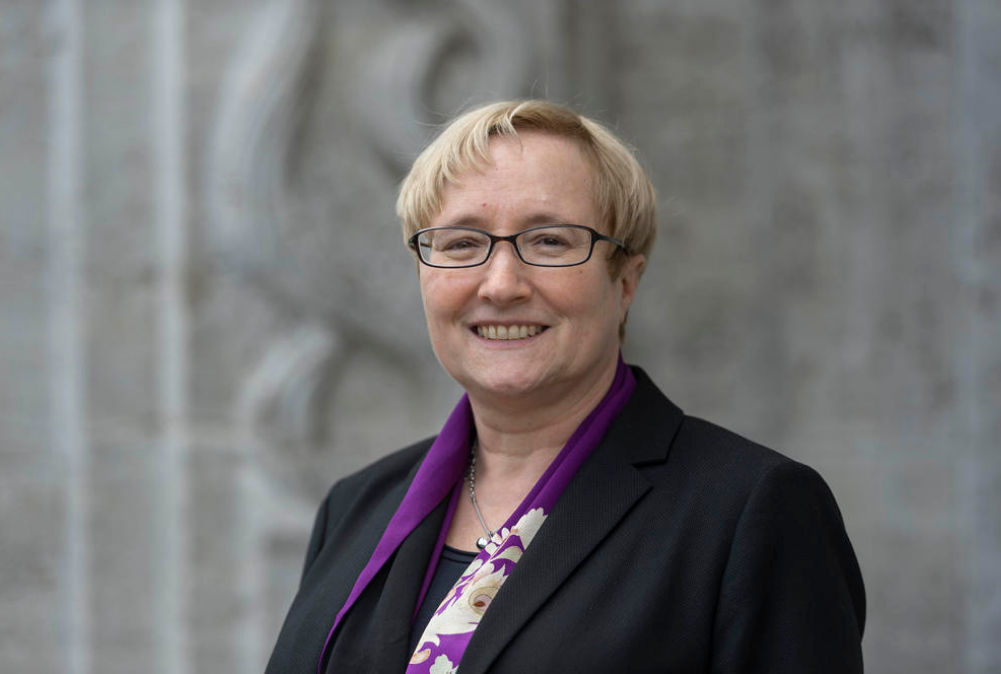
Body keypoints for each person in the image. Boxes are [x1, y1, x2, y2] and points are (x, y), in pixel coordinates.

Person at [265, 100, 865, 673]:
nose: (501, 285)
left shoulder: (751, 513)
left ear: (624, 282)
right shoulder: (355, 507)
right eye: (462, 244)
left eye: (549, 241)